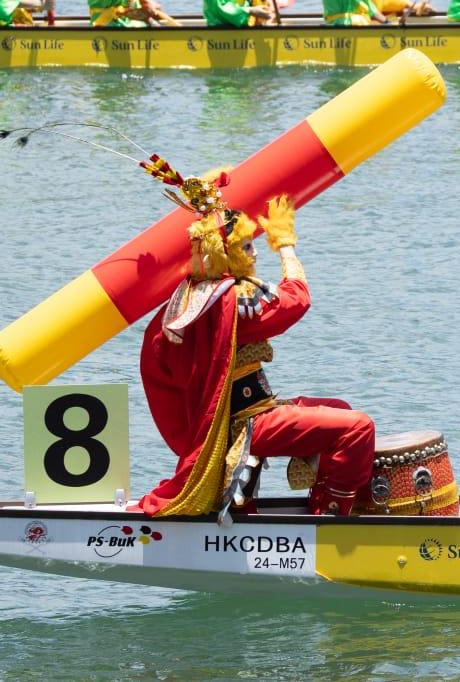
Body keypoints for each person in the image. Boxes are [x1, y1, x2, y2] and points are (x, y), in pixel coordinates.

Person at [137, 164, 376, 517]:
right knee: (358, 427)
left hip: (246, 410)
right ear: (226, 254)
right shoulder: (230, 303)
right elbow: (297, 300)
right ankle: (331, 516)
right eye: (247, 247)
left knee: (339, 408)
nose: (255, 253)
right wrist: (286, 246)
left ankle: (313, 500)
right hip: (244, 424)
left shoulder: (191, 297)